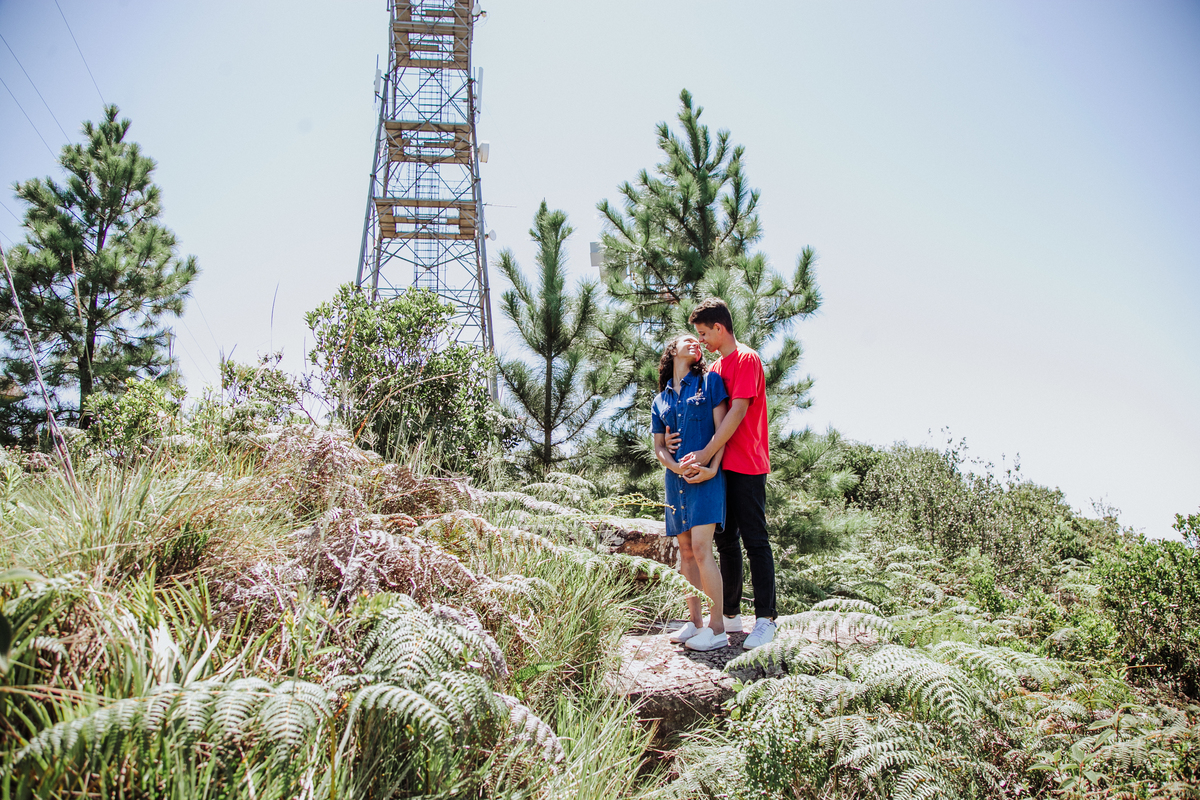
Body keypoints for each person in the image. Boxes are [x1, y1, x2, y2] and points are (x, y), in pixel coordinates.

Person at [676, 297, 777, 650]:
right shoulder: (716, 368)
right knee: (726, 541)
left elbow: (737, 411)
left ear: (719, 328)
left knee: (755, 540)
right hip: (720, 468)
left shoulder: (746, 359)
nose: (701, 340)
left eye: (704, 333)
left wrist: (705, 454)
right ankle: (731, 614)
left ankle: (766, 619)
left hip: (747, 464)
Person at [651, 333, 730, 651]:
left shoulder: (711, 383)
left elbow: (723, 431)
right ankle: (695, 622)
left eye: (698, 340)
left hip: (706, 480)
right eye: (687, 339)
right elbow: (659, 447)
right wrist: (674, 467)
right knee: (685, 552)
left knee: (700, 549)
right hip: (676, 483)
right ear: (673, 351)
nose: (695, 342)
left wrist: (712, 467)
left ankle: (717, 628)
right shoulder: (660, 400)